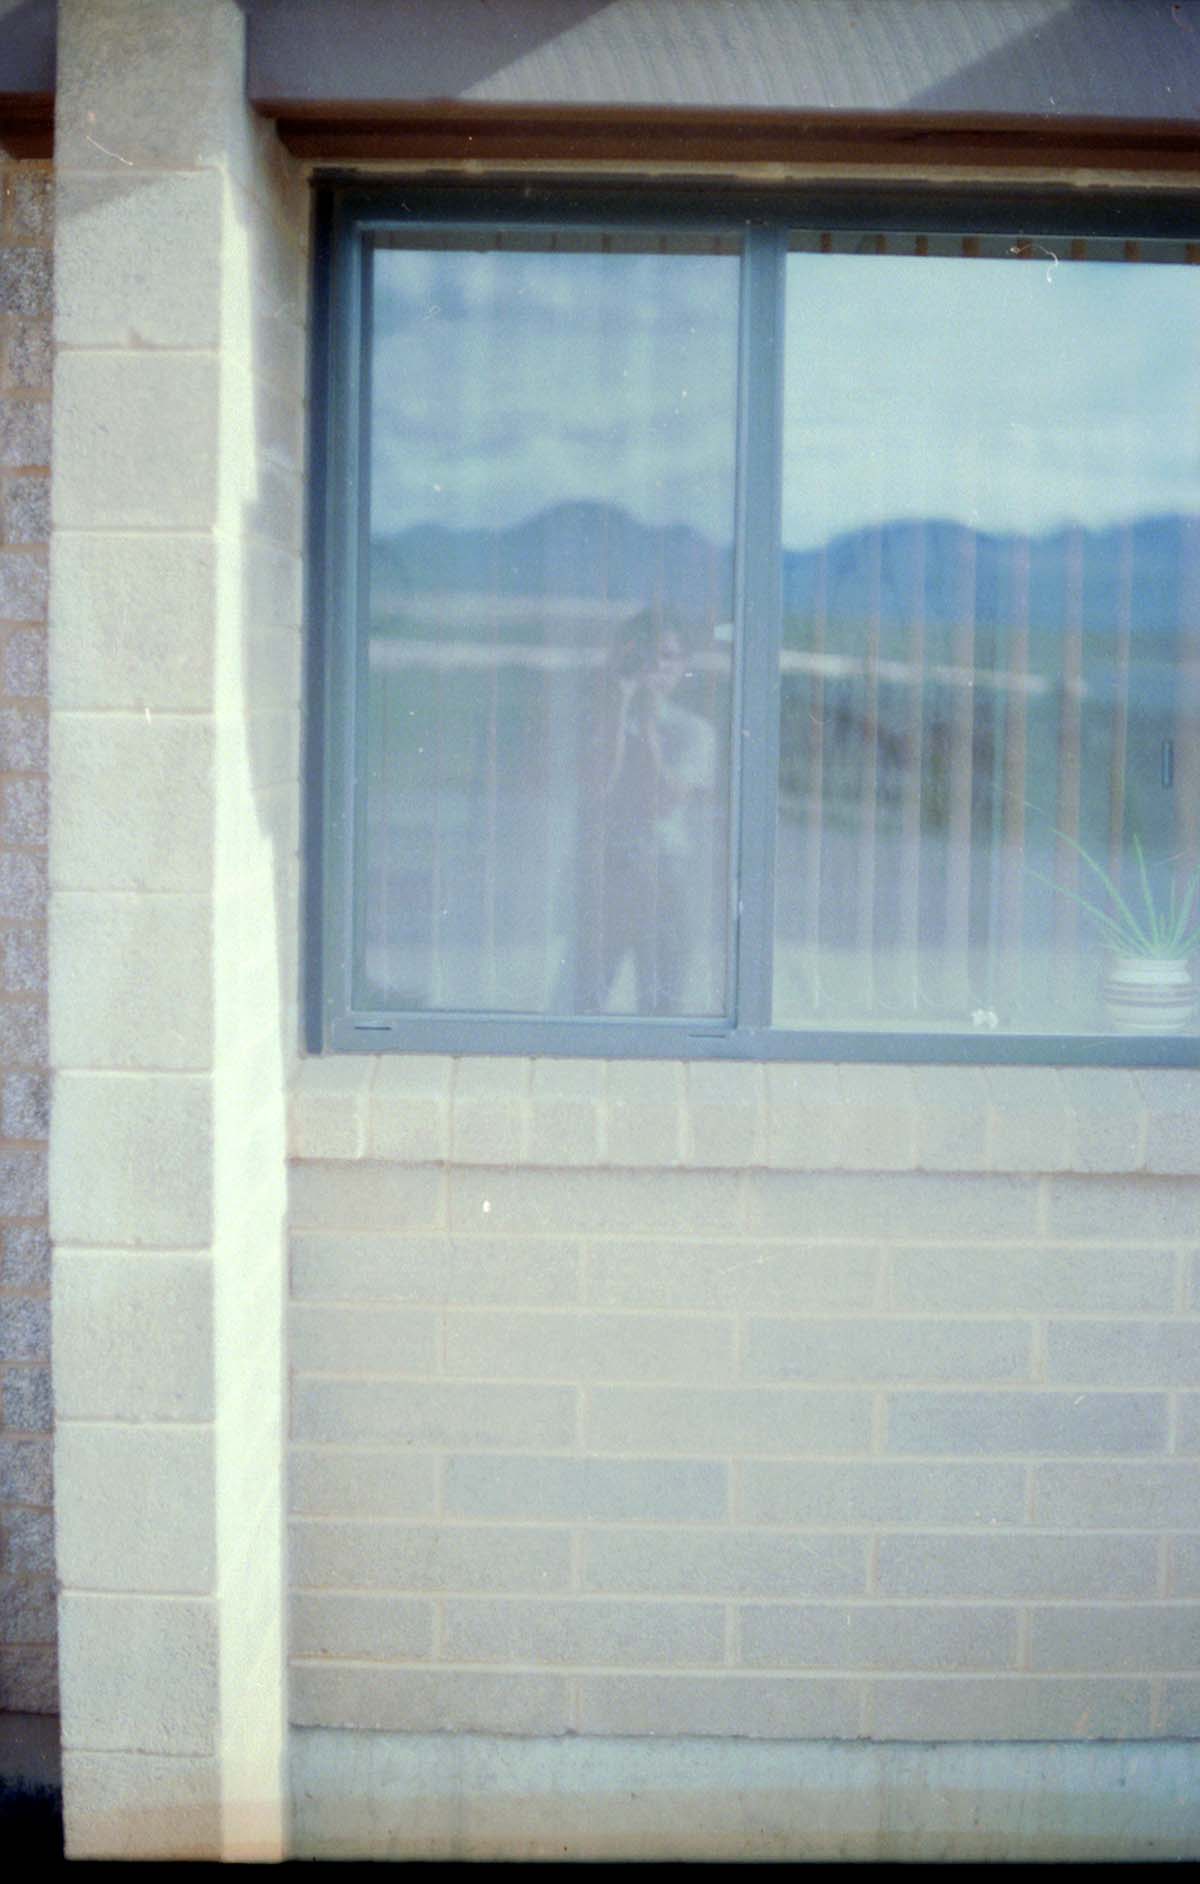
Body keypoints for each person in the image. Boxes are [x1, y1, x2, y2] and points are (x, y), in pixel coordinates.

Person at [573, 612, 715, 1015]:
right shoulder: (598, 722)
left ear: (684, 667)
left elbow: (665, 800)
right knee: (583, 1001)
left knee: (663, 1006)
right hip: (606, 873)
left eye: (669, 658)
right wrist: (620, 707)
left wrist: (649, 725)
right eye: (647, 658)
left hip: (667, 876)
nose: (657, 669)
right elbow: (597, 785)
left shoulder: (693, 731)